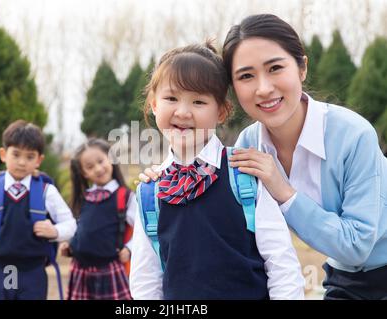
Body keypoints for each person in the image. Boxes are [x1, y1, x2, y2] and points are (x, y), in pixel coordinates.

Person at [141, 14, 387, 300]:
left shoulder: (353, 135)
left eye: (275, 68)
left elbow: (357, 246)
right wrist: (162, 176)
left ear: (302, 68)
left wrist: (283, 192)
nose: (264, 88)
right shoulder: (249, 146)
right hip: (344, 277)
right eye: (246, 76)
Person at [130, 41, 304, 300]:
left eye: (199, 102)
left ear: (221, 111)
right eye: (171, 98)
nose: (183, 112)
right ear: (154, 104)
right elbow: (146, 281)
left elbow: (282, 265)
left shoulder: (244, 173)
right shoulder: (149, 192)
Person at [0, 119, 76, 300]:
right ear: (3, 154)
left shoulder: (47, 192)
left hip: (33, 270)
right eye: (16, 154)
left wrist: (54, 231)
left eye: (30, 156)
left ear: (39, 160)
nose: (22, 162)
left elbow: (70, 224)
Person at [60, 138, 135, 300]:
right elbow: (84, 229)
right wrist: (71, 245)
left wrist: (129, 249)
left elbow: (141, 233)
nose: (98, 169)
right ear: (83, 173)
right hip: (80, 270)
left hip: (109, 269)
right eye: (90, 167)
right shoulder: (84, 198)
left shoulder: (125, 197)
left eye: (101, 161)